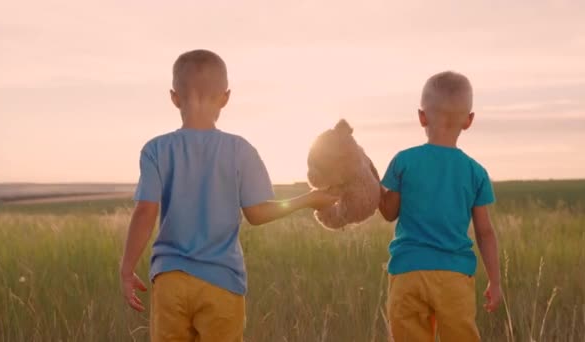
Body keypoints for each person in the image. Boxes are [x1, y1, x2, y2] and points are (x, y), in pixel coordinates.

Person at [119, 49, 338, 342]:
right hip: (222, 282)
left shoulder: (156, 149)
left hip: (170, 279)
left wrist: (127, 267)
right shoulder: (240, 150)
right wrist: (307, 199)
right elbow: (257, 213)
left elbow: (145, 211)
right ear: (226, 97)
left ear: (174, 97)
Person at [377, 71, 502, 341]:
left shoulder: (404, 161)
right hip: (454, 277)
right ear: (468, 121)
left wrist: (373, 184)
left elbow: (388, 212)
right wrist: (495, 281)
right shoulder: (475, 172)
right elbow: (485, 232)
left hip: (407, 272)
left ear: (422, 116)